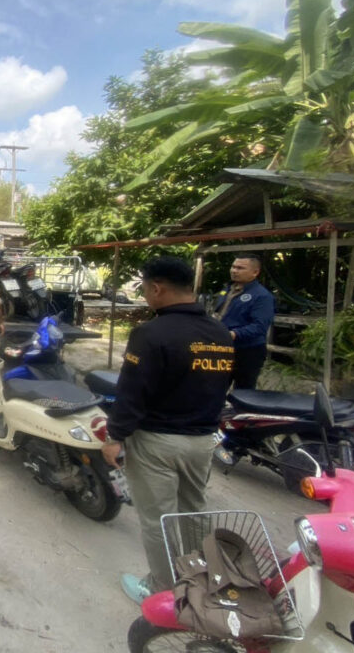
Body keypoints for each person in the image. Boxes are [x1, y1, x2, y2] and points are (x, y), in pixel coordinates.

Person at [100, 256, 234, 604]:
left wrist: (115, 437)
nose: (145, 295)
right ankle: (202, 580)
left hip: (157, 443)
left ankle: (163, 590)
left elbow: (132, 393)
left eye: (145, 289)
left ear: (157, 288)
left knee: (157, 520)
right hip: (202, 442)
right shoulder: (220, 333)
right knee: (193, 513)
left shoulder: (151, 333)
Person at [212, 253, 275, 389]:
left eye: (240, 268)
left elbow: (259, 326)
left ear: (255, 272)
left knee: (243, 392)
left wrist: (234, 334)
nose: (234, 271)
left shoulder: (262, 296)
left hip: (247, 351)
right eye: (233, 267)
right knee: (215, 388)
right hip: (222, 347)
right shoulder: (227, 290)